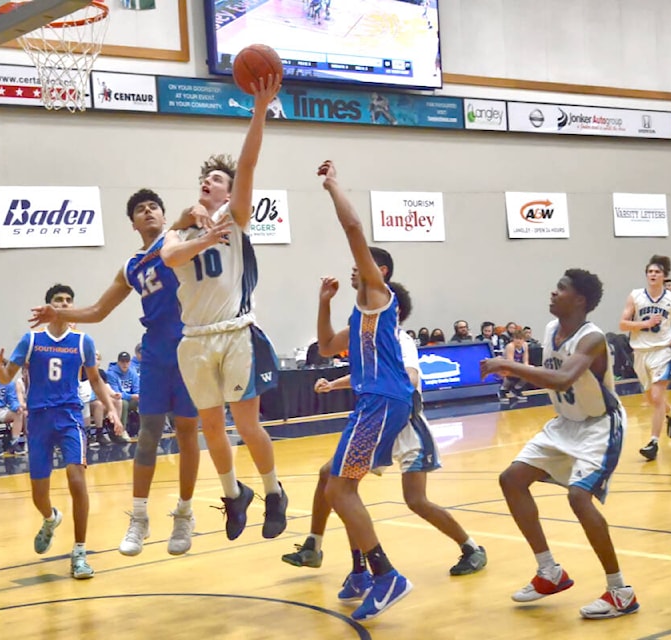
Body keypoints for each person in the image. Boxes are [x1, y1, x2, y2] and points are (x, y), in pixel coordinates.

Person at [29, 188, 202, 557]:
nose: (148, 211)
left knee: (188, 432)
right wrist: (59, 313)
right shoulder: (131, 266)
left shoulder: (177, 238)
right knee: (149, 434)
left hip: (190, 345)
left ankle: (184, 513)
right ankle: (139, 518)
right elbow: (97, 311)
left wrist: (193, 213)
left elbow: (192, 211)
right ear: (133, 222)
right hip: (156, 350)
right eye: (140, 209)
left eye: (154, 206)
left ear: (162, 213)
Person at [282, 280, 486, 582]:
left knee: (415, 500)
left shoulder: (399, 340)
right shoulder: (368, 339)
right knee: (334, 478)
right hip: (380, 422)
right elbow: (361, 369)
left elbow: (410, 375)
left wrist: (396, 381)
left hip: (406, 427)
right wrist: (334, 384)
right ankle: (322, 548)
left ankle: (470, 547)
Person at [160, 73, 288, 542]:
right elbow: (169, 257)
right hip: (193, 340)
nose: (206, 182)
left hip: (235, 332)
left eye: (216, 179)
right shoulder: (178, 232)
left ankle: (274, 492)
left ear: (229, 192)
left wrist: (258, 112)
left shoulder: (235, 219)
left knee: (247, 422)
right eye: (205, 178)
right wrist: (192, 231)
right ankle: (235, 495)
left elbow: (249, 163)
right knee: (210, 426)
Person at [482, 268, 639, 620]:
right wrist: (515, 371)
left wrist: (508, 365)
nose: (553, 294)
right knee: (511, 479)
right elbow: (552, 380)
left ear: (579, 300)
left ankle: (620, 591)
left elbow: (565, 376)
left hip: (600, 425)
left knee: (578, 497)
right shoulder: (552, 330)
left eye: (561, 289)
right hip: (565, 424)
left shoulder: (592, 338)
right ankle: (549, 572)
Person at [309, 160, 414, 621]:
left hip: (384, 400)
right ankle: (360, 571)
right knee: (332, 481)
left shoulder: (378, 294)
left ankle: (386, 574)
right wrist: (323, 303)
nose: (355, 270)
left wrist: (333, 186)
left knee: (339, 488)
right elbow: (329, 347)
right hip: (372, 402)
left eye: (363, 265)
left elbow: (353, 227)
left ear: (379, 270)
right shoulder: (359, 314)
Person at [0, 284, 122, 579]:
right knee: (39, 494)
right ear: (48, 306)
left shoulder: (82, 341)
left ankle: (79, 552)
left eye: (68, 300)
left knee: (77, 479)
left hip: (70, 416)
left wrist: (111, 410)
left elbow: (96, 380)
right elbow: (5, 377)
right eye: (58, 300)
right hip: (38, 420)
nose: (63, 304)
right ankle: (50, 519)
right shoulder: (32, 339)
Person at [619, 255, 671, 461]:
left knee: (657, 397)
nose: (653, 275)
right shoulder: (635, 296)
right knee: (650, 398)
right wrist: (644, 324)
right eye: (650, 272)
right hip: (640, 352)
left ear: (664, 276)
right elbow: (622, 324)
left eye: (657, 272)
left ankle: (653, 443)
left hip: (662, 351)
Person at [106, 351, 140, 428]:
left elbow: (137, 389)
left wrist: (137, 395)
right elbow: (116, 394)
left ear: (130, 362)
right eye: (122, 362)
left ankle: (145, 429)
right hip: (116, 399)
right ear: (118, 362)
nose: (125, 364)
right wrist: (132, 396)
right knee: (123, 403)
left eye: (127, 362)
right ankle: (122, 429)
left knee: (144, 401)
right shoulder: (111, 374)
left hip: (131, 398)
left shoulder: (133, 372)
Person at [499, 329, 530, 403]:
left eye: (520, 339)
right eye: (516, 338)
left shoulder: (525, 345)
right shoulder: (510, 346)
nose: (518, 341)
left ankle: (517, 388)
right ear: (513, 339)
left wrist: (527, 368)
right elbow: (510, 363)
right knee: (510, 372)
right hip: (505, 366)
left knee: (530, 372)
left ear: (523, 339)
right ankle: (503, 390)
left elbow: (525, 360)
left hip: (517, 365)